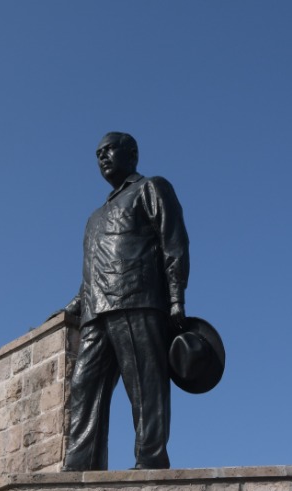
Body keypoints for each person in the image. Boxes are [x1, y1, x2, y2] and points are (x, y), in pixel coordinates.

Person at [61, 131, 189, 471]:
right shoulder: (95, 216)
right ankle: (80, 466)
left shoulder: (151, 188)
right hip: (96, 311)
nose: (102, 157)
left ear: (131, 153)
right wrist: (75, 304)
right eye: (98, 153)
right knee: (82, 387)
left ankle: (150, 461)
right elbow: (92, 266)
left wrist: (176, 297)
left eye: (109, 150)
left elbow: (173, 244)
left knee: (144, 385)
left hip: (136, 299)